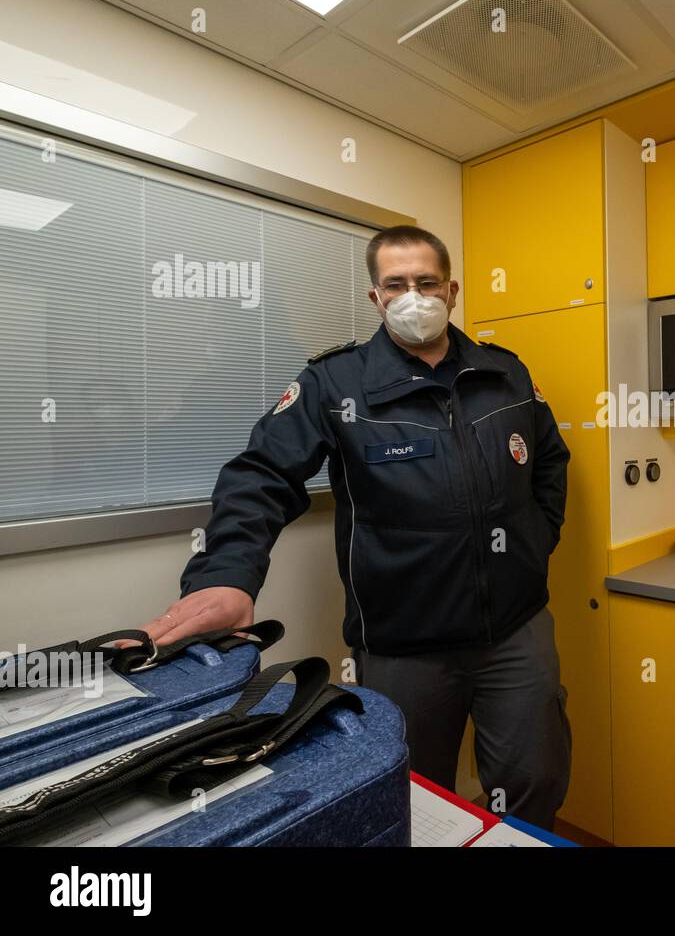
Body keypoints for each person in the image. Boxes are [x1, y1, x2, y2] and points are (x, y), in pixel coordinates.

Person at [144, 225, 572, 829]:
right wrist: (228, 575)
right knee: (413, 797)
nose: (413, 296)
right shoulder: (334, 383)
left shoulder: (504, 373)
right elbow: (261, 475)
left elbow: (549, 460)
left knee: (536, 781)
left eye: (426, 282)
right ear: (376, 297)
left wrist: (535, 540)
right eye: (395, 285)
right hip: (403, 645)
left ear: (452, 291)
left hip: (517, 632)